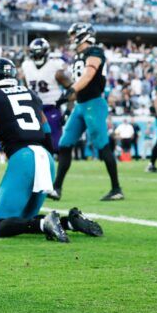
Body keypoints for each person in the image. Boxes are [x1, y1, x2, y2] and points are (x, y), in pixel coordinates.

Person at [0, 58, 103, 242]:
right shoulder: (30, 94)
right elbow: (47, 132)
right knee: (22, 220)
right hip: (46, 158)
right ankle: (70, 223)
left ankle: (45, 224)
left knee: (0, 226)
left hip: (23, 158)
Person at [50, 23, 123, 201]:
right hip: (80, 106)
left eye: (74, 35)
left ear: (84, 35)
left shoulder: (95, 52)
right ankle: (56, 188)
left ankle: (116, 189)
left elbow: (89, 75)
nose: (72, 38)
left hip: (94, 104)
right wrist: (69, 100)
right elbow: (80, 84)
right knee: (65, 144)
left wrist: (70, 91)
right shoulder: (79, 55)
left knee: (102, 145)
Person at [20, 38, 74, 153]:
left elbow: (72, 90)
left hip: (51, 109)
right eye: (35, 54)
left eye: (40, 53)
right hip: (33, 109)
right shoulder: (26, 66)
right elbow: (26, 90)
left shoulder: (55, 67)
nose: (37, 56)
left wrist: (68, 111)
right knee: (33, 144)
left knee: (54, 146)